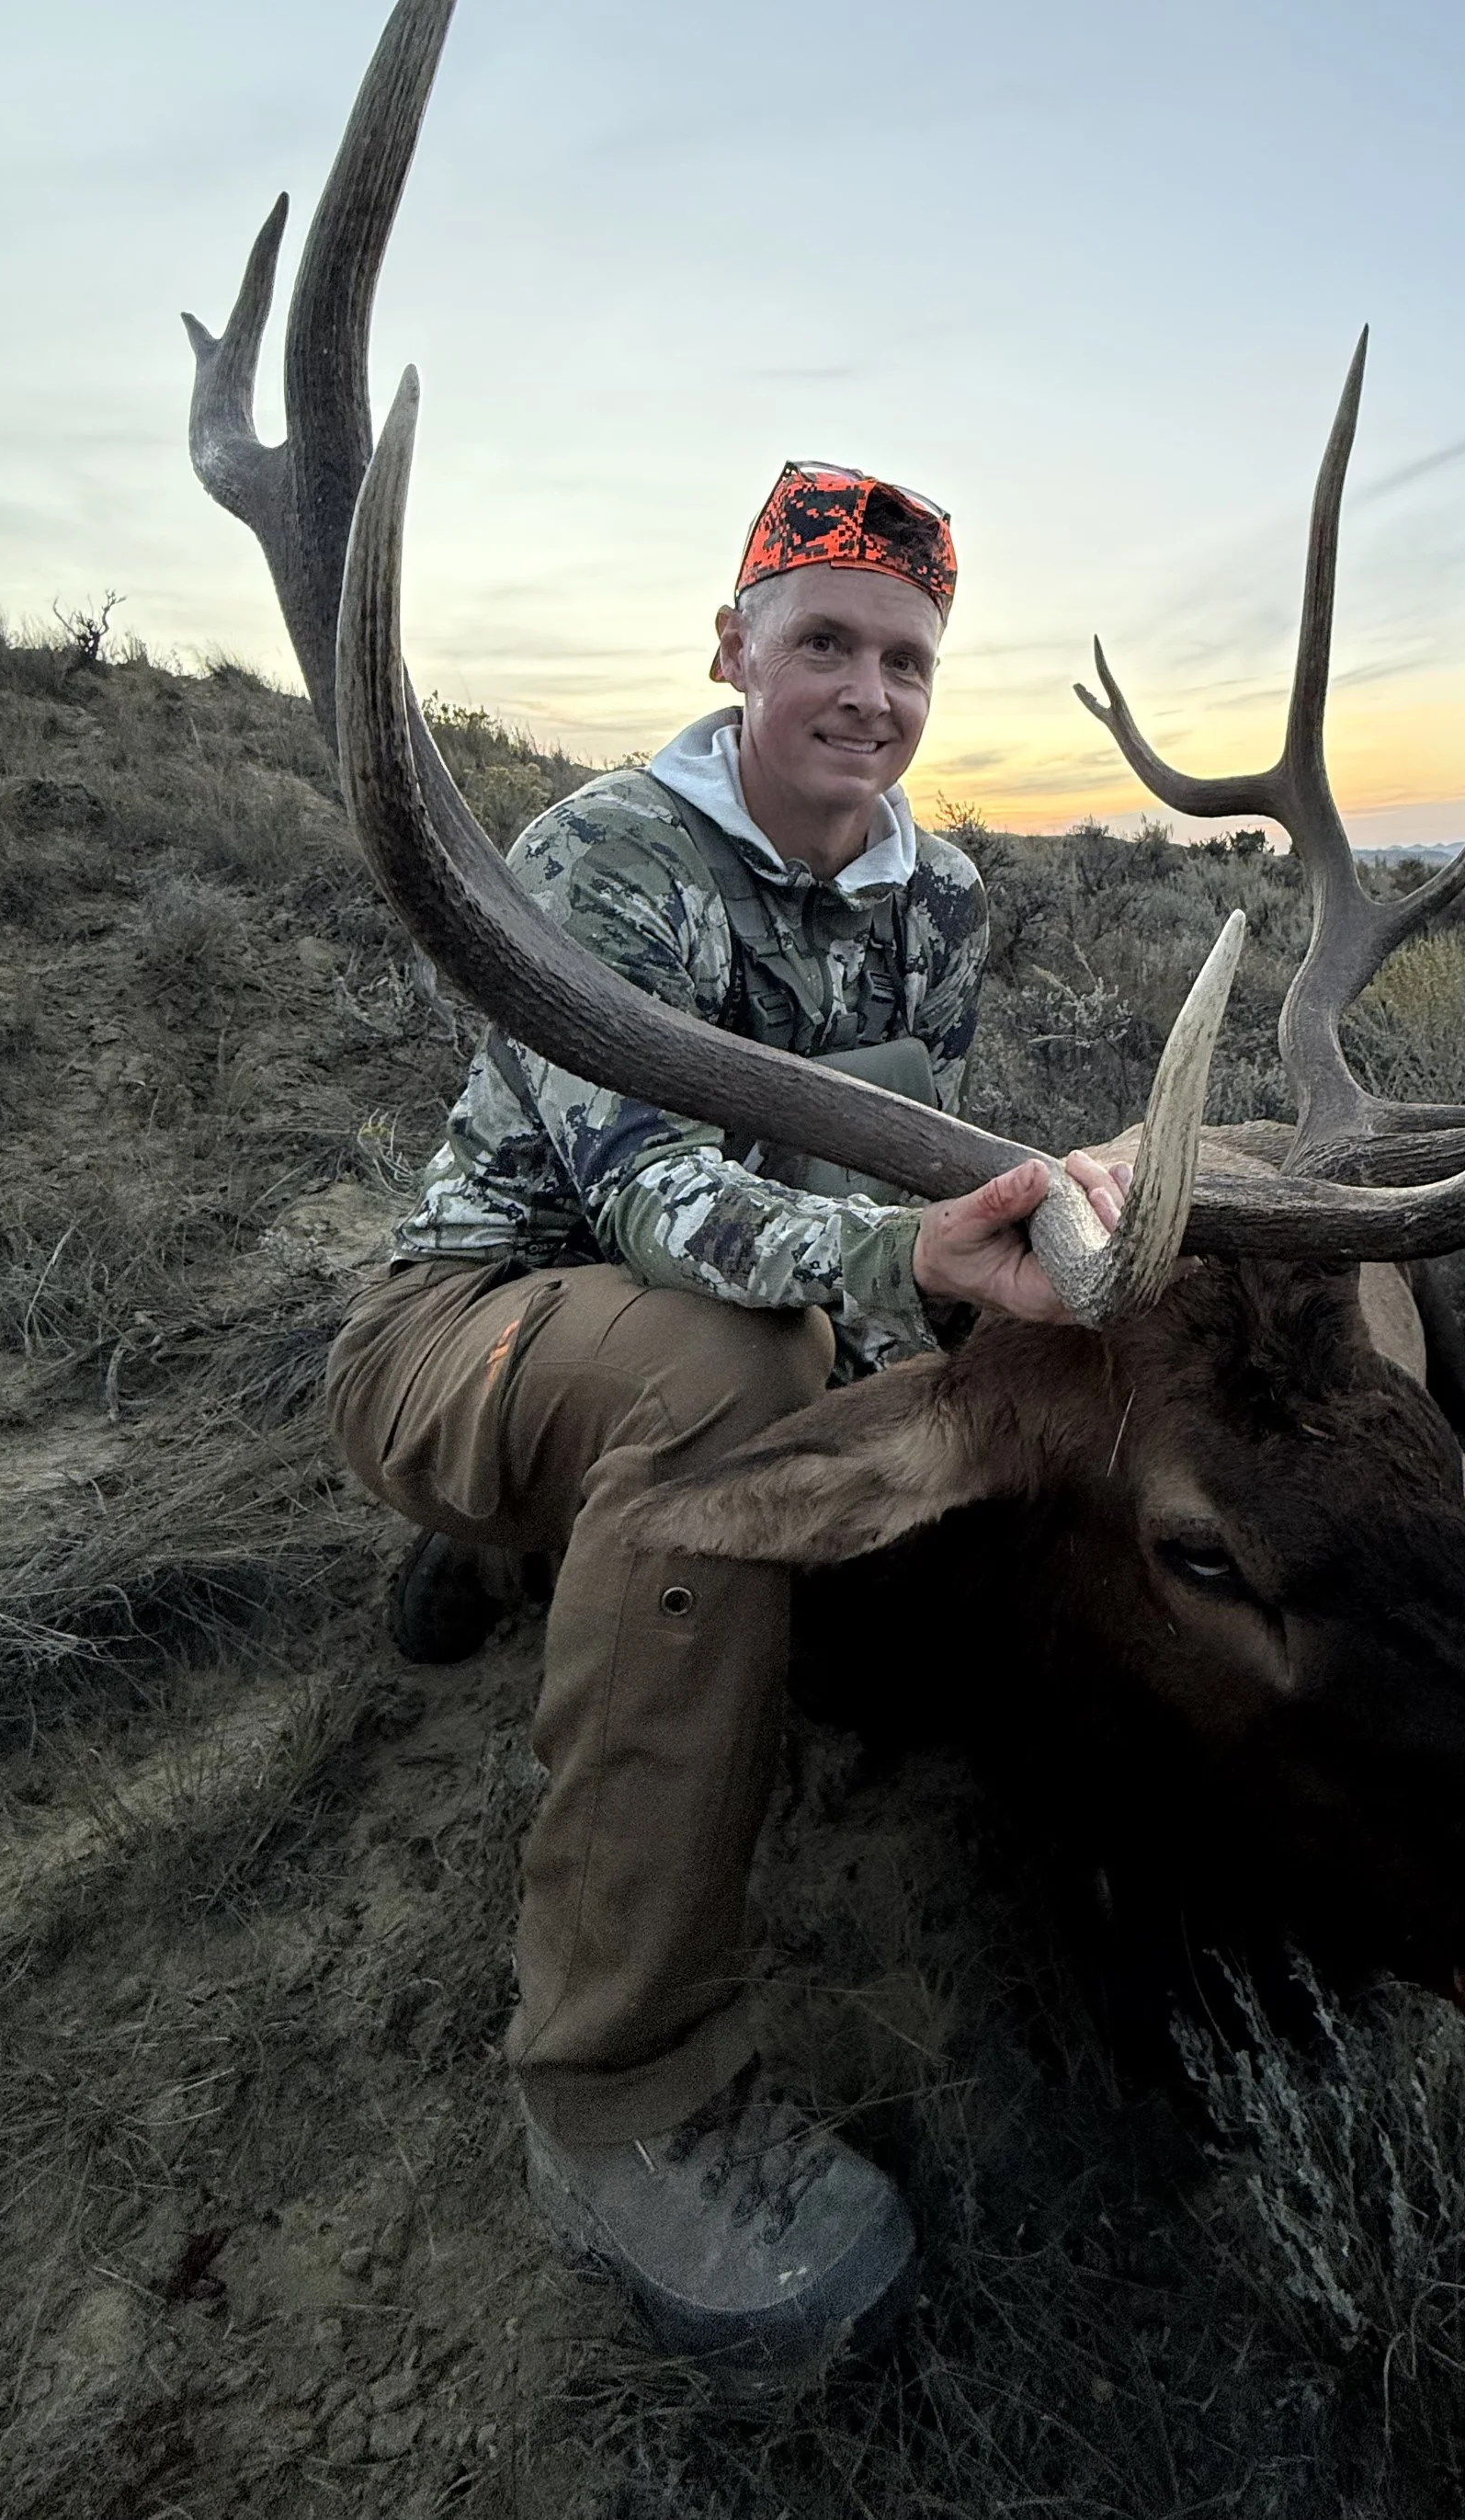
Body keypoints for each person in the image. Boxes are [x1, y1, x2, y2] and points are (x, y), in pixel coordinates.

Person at [325, 462, 1127, 2381]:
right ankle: (617, 2089)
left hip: (698, 1326)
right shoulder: (599, 856)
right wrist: (902, 1254)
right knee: (738, 1375)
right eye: (826, 642)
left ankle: (556, 1538)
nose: (869, 691)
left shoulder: (938, 896)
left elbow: (883, 1145)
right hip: (471, 1325)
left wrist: (1027, 1228)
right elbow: (640, 1192)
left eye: (906, 658)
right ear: (732, 651)